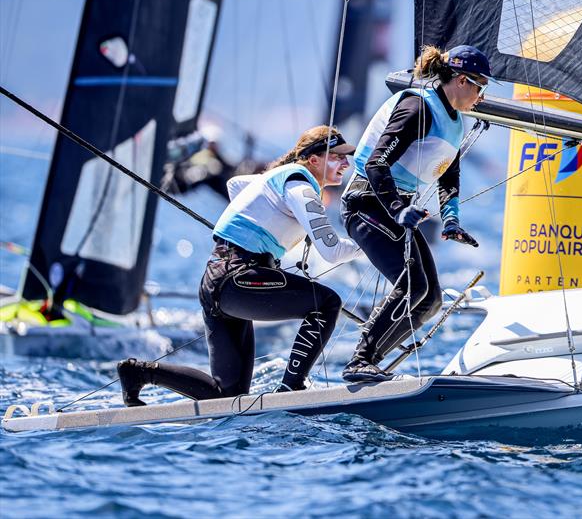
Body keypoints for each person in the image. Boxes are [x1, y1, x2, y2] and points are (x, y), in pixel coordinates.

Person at [117, 126, 363, 406]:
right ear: (313, 160)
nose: (346, 162)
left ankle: (138, 373)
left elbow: (235, 186)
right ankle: (293, 386)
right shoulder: (300, 187)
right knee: (327, 303)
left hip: (217, 281)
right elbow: (331, 251)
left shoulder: (276, 179)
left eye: (347, 157)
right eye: (338, 156)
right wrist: (367, 244)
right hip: (239, 278)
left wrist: (258, 219)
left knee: (227, 394)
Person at [340, 45, 491, 382]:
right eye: (481, 87)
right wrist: (398, 208)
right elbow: (376, 163)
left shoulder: (455, 122)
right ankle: (360, 360)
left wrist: (451, 221)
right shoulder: (417, 106)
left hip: (394, 211)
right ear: (462, 81)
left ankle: (371, 359)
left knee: (430, 299)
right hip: (366, 204)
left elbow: (449, 176)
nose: (482, 96)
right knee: (411, 284)